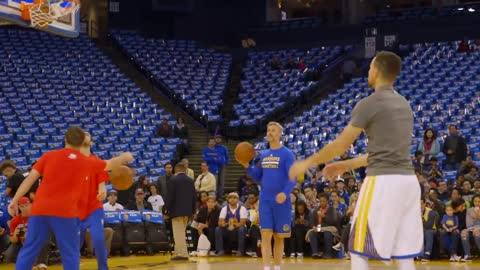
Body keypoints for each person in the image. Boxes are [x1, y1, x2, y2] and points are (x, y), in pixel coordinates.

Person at [289, 51, 422, 270]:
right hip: (408, 183)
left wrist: (307, 162)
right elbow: (383, 152)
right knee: (404, 253)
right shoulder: (404, 104)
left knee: (357, 248)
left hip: (382, 182)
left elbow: (340, 145)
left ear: (377, 70)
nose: (368, 71)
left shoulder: (369, 103)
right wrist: (346, 165)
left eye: (370, 67)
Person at [7, 126, 134, 270]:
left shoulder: (49, 156)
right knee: (70, 254)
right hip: (65, 213)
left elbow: (30, 179)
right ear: (81, 143)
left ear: (65, 139)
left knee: (29, 250)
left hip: (40, 210)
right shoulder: (86, 162)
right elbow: (110, 164)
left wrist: (14, 201)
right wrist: (124, 157)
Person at [238, 121, 296, 270]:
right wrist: (247, 166)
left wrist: (285, 192)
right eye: (268, 130)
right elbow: (257, 176)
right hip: (265, 200)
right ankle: (266, 268)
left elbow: (292, 177)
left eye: (273, 130)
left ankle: (277, 267)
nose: (270, 132)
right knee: (265, 235)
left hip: (281, 201)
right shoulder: (264, 155)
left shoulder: (287, 154)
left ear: (280, 134)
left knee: (278, 237)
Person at [78, 132, 109, 270]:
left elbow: (102, 185)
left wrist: (103, 193)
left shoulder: (97, 162)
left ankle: (103, 267)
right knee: (74, 243)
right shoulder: (71, 162)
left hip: (94, 208)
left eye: (87, 134)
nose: (84, 135)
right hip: (75, 208)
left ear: (91, 142)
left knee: (98, 238)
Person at [164, 161, 197, 261]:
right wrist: (193, 211)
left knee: (178, 233)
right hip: (187, 212)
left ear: (176, 170)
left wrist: (166, 211)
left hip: (176, 211)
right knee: (181, 233)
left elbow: (170, 197)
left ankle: (182, 254)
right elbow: (194, 197)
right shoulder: (190, 180)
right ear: (185, 170)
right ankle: (179, 252)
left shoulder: (173, 180)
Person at [5, 197, 50, 269]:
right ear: (19, 207)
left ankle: (41, 262)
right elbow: (13, 240)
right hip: (21, 242)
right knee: (8, 255)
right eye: (22, 206)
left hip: (36, 241)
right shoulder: (15, 220)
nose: (25, 208)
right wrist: (15, 234)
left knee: (45, 239)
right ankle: (24, 262)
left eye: (26, 205)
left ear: (31, 205)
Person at [215, 135, 229, 200]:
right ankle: (215, 196)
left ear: (221, 140)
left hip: (222, 166)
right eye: (217, 138)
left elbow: (227, 157)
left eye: (219, 138)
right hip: (215, 166)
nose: (218, 139)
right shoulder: (213, 148)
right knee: (215, 181)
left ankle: (220, 196)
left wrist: (225, 162)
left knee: (221, 182)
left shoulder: (224, 148)